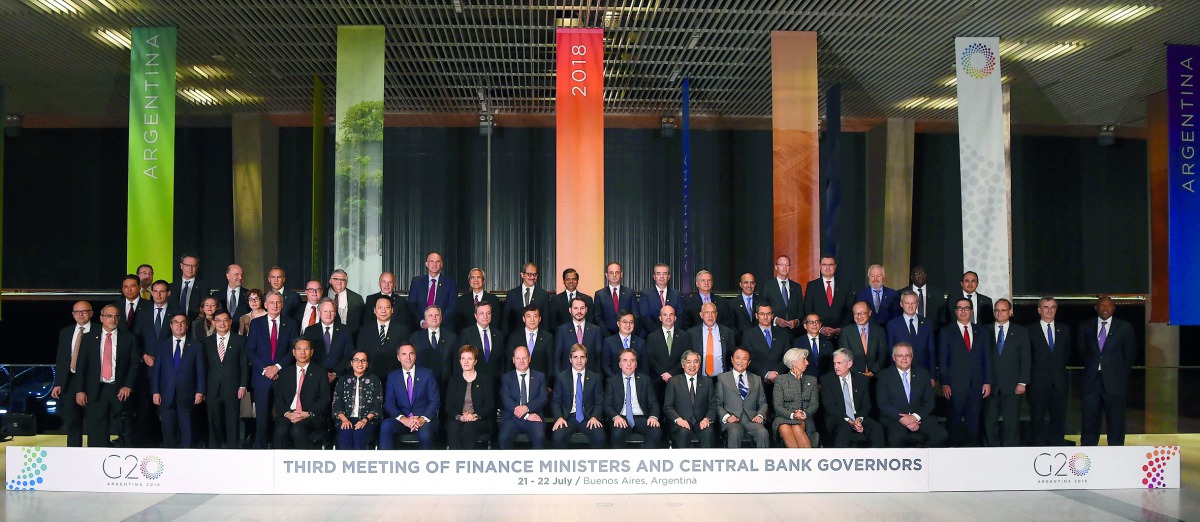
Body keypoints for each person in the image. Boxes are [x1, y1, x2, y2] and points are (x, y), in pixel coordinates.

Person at [72, 304, 138, 447]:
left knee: (124, 426)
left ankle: (125, 456)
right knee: (97, 429)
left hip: (119, 389)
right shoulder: (89, 338)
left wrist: (127, 386)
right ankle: (97, 457)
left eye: (116, 316)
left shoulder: (128, 338)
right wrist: (80, 390)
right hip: (96, 389)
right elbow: (81, 366)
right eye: (108, 316)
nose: (112, 319)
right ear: (101, 318)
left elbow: (134, 365)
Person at [1078, 295, 1137, 446]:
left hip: (1115, 383)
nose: (1105, 308)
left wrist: (1119, 375)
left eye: (1109, 305)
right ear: (1096, 308)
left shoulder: (1124, 327)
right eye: (1102, 305)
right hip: (1092, 382)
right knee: (1090, 421)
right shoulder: (1085, 326)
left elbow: (1129, 355)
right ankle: (1088, 454)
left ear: (1114, 308)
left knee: (1116, 422)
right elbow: (1082, 351)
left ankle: (1116, 454)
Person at [246, 291, 301, 448]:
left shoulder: (291, 323)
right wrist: (266, 370)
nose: (275, 305)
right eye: (271, 302)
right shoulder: (256, 323)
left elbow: (293, 349)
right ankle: (261, 451)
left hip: (282, 377)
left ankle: (281, 450)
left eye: (278, 302)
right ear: (265, 305)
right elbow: (250, 351)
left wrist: (277, 367)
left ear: (282, 305)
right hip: (262, 378)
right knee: (262, 417)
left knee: (284, 416)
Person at [938, 297, 994, 447]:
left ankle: (973, 455)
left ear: (971, 311)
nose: (963, 311)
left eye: (966, 308)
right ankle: (953, 453)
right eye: (960, 308)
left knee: (974, 425)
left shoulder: (983, 331)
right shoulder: (946, 332)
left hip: (977, 386)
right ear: (955, 311)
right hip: (954, 388)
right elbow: (942, 360)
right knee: (954, 423)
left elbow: (988, 359)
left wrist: (988, 382)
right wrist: (944, 383)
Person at [150, 314, 205, 448]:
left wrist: (200, 391)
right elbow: (156, 371)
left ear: (187, 326)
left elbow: (201, 371)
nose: (179, 325)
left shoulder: (196, 346)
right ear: (171, 325)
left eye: (182, 323)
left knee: (187, 430)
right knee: (168, 430)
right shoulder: (162, 345)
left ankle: (186, 457)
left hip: (188, 394)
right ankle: (169, 456)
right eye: (176, 322)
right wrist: (155, 392)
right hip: (166, 394)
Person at [876, 342, 946, 448]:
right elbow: (883, 404)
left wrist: (914, 417)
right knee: (897, 438)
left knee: (940, 435)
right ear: (894, 357)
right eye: (900, 355)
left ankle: (923, 457)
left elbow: (929, 402)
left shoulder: (923, 374)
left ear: (912, 357)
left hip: (919, 416)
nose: (904, 358)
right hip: (894, 418)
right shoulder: (884, 375)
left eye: (907, 355)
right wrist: (906, 420)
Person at [983, 299, 1030, 447]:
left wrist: (1022, 382)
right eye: (997, 310)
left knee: (1011, 423)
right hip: (990, 386)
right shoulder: (984, 330)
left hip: (1013, 385)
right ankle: (991, 451)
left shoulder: (1021, 331)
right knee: (989, 422)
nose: (999, 313)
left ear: (1010, 312)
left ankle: (1010, 453)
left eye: (1003, 310)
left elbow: (1026, 358)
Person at [819, 348, 885, 448]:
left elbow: (866, 404)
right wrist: (850, 421)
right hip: (837, 417)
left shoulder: (862, 379)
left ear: (849, 364)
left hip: (858, 417)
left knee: (876, 428)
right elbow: (829, 406)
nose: (836, 366)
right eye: (834, 363)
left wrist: (858, 419)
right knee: (844, 428)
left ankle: (879, 457)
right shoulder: (826, 380)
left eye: (839, 363)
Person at [272, 339, 331, 449]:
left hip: (309, 415)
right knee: (281, 430)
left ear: (312, 352)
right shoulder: (285, 372)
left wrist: (308, 413)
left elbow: (325, 398)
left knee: (298, 430)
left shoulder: (320, 372)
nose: (302, 352)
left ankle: (303, 460)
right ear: (294, 352)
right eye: (299, 349)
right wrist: (287, 413)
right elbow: (278, 397)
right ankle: (282, 460)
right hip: (289, 414)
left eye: (306, 349)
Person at [1028, 297, 1071, 446]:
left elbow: (1066, 354)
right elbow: (1028, 358)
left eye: (1052, 307)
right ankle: (1037, 451)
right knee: (1037, 420)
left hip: (1059, 384)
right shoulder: (1030, 331)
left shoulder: (1064, 330)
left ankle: (1057, 450)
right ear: (1039, 310)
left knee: (1059, 420)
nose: (1049, 310)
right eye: (1046, 307)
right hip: (1037, 384)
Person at [201, 310, 248, 449]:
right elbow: (203, 368)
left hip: (233, 388)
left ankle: (233, 451)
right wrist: (202, 389)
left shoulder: (240, 340)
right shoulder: (206, 342)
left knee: (232, 422)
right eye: (218, 320)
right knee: (213, 422)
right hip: (212, 389)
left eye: (225, 320)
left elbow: (244, 365)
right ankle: (214, 451)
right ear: (213, 323)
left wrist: (243, 386)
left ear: (230, 322)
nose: (222, 323)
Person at [51, 301, 95, 447]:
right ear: (73, 314)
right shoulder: (66, 332)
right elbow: (61, 359)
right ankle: (74, 454)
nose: (80, 314)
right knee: (72, 422)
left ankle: (94, 454)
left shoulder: (99, 331)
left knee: (94, 422)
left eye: (84, 311)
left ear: (91, 313)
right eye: (77, 312)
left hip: (92, 381)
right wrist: (58, 383)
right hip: (70, 381)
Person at [379, 344, 440, 449]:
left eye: (411, 354)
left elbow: (435, 401)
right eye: (404, 354)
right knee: (386, 425)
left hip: (423, 420)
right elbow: (389, 404)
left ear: (415, 356)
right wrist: (404, 419)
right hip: (402, 420)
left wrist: (422, 419)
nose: (408, 358)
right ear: (398, 357)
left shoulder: (427, 374)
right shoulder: (392, 377)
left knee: (425, 434)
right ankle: (387, 459)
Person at [603, 349, 663, 448]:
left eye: (632, 360)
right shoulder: (612, 381)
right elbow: (607, 405)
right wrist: (616, 417)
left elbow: (653, 403)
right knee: (617, 433)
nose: (629, 364)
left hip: (641, 418)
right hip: (621, 418)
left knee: (656, 431)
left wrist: (653, 416)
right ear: (620, 364)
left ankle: (647, 457)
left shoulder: (645, 380)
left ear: (636, 364)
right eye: (625, 360)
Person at [550, 344, 605, 449]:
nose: (579, 360)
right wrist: (559, 418)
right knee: (558, 437)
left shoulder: (595, 378)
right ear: (570, 359)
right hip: (567, 418)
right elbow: (556, 401)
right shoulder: (561, 377)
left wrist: (594, 417)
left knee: (599, 437)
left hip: (588, 418)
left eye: (582, 357)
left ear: (586, 359)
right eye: (575, 357)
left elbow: (599, 402)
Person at [715, 347, 769, 448]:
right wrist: (727, 417)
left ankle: (762, 458)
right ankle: (734, 458)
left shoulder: (757, 379)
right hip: (732, 420)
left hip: (751, 420)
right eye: (738, 358)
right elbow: (718, 404)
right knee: (735, 432)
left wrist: (760, 415)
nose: (740, 361)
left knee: (763, 432)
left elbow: (763, 403)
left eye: (744, 359)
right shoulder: (722, 378)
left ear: (748, 362)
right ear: (732, 360)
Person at [444, 345, 495, 450]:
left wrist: (474, 415)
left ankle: (468, 459)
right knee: (453, 428)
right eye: (463, 358)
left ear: (475, 361)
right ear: (460, 361)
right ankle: (455, 459)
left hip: (480, 419)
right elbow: (449, 405)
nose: (466, 362)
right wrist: (460, 417)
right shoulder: (454, 381)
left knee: (469, 428)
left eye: (470, 358)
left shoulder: (485, 380)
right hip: (459, 418)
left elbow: (490, 405)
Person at [662, 350, 717, 448]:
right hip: (680, 423)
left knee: (708, 432)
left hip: (701, 422)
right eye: (689, 362)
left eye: (695, 362)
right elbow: (668, 407)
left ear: (699, 365)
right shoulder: (673, 382)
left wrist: (707, 419)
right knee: (683, 432)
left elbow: (712, 405)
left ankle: (706, 458)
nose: (692, 365)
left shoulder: (707, 382)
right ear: (683, 365)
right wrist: (679, 420)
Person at [498, 345, 548, 449]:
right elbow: (506, 399)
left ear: (529, 358)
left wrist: (526, 408)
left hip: (534, 416)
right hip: (512, 418)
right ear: (513, 360)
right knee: (503, 438)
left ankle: (537, 460)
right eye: (518, 358)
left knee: (539, 436)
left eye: (524, 358)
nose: (521, 361)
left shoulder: (539, 376)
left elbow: (543, 398)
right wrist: (525, 415)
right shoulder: (506, 378)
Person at [332, 351, 383, 450]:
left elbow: (377, 403)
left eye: (363, 360)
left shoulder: (374, 380)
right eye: (356, 360)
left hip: (368, 420)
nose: (360, 363)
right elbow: (337, 402)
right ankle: (345, 460)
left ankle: (359, 461)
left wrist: (364, 420)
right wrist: (344, 420)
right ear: (351, 363)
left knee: (359, 433)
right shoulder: (343, 380)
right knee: (345, 432)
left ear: (367, 364)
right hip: (345, 419)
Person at [773, 347, 818, 448]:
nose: (807, 363)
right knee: (784, 428)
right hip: (784, 417)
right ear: (793, 362)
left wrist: (803, 413)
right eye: (804, 360)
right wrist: (793, 415)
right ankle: (797, 457)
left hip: (805, 417)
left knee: (797, 427)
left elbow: (814, 404)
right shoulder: (781, 380)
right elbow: (778, 405)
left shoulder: (812, 380)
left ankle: (808, 456)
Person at [456, 300, 505, 393]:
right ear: (476, 316)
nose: (485, 316)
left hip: (495, 384)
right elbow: (459, 360)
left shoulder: (499, 335)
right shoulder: (466, 334)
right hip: (473, 383)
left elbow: (502, 361)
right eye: (481, 313)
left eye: (488, 313)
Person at [885, 290, 936, 379]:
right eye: (907, 303)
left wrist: (932, 375)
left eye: (913, 303)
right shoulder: (892, 324)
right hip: (900, 373)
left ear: (917, 304)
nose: (910, 306)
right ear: (901, 304)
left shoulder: (927, 323)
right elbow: (890, 351)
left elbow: (931, 350)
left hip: (923, 373)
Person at [357, 297, 408, 381]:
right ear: (375, 310)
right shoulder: (365, 330)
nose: (383, 311)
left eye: (387, 307)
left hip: (395, 376)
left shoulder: (402, 330)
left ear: (392, 310)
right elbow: (360, 353)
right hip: (370, 376)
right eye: (380, 307)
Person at [303, 298, 354, 383]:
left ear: (335, 313)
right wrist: (322, 373)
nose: (329, 314)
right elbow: (307, 355)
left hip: (340, 378)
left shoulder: (345, 330)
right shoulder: (310, 331)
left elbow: (348, 354)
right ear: (319, 313)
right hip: (316, 377)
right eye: (325, 311)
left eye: (331, 311)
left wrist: (335, 373)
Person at [803, 255, 854, 338]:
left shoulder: (845, 285)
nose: (827, 267)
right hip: (818, 334)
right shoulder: (812, 286)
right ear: (820, 267)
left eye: (830, 265)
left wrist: (841, 328)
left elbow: (850, 309)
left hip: (841, 335)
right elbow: (808, 310)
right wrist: (820, 328)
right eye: (824, 265)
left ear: (835, 266)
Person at [645, 305, 689, 400]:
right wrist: (663, 374)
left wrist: (671, 373)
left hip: (678, 379)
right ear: (660, 318)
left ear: (675, 318)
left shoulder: (684, 336)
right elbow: (650, 359)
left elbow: (686, 357)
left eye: (671, 314)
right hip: (658, 381)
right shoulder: (652, 337)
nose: (668, 317)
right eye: (665, 315)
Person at [553, 296, 604, 377]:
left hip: (590, 377)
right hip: (567, 377)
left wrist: (598, 377)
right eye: (576, 308)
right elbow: (557, 356)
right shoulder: (562, 330)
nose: (579, 311)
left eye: (582, 308)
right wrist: (558, 377)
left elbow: (598, 357)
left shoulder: (596, 330)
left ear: (586, 309)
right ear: (570, 310)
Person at [741, 304, 789, 390]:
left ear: (772, 316)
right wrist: (766, 374)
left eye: (768, 314)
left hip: (780, 380)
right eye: (762, 314)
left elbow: (787, 357)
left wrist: (776, 373)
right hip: (757, 382)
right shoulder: (748, 335)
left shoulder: (783, 333)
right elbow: (748, 358)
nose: (765, 317)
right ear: (756, 316)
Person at [407, 251, 458, 328]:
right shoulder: (417, 281)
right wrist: (422, 321)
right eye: (431, 261)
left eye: (437, 262)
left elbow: (452, 306)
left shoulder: (450, 283)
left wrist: (436, 321)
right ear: (426, 264)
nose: (434, 264)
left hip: (442, 326)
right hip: (420, 327)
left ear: (441, 264)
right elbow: (411, 304)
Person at [410, 305, 457, 387]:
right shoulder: (415, 337)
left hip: (446, 383)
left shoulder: (451, 337)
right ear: (425, 318)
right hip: (421, 383)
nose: (434, 318)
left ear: (441, 317)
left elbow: (455, 361)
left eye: (437, 315)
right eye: (430, 315)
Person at [837, 301, 887, 377]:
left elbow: (883, 354)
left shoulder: (879, 331)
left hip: (876, 375)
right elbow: (844, 356)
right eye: (856, 313)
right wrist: (858, 374)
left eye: (862, 313)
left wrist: (873, 371)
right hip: (854, 376)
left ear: (869, 313)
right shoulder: (846, 332)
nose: (859, 316)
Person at [687, 302, 735, 378]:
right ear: (701, 315)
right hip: (700, 378)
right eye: (707, 312)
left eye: (713, 312)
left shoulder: (728, 333)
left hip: (722, 378)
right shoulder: (692, 333)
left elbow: (732, 356)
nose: (710, 316)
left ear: (716, 314)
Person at [507, 304, 554, 380]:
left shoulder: (548, 337)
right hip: (519, 380)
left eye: (535, 316)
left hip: (540, 381)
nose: (532, 320)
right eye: (529, 316)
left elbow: (550, 364)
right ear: (523, 318)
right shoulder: (514, 337)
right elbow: (509, 363)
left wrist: (549, 383)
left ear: (539, 319)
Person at [503, 262, 551, 334]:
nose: (532, 277)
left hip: (537, 336)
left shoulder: (543, 295)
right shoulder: (512, 294)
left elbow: (546, 321)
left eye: (535, 274)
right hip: (516, 336)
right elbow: (506, 320)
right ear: (522, 275)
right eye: (529, 274)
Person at [636, 263, 683, 335]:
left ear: (669, 277)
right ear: (654, 277)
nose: (661, 276)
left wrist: (672, 332)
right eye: (658, 274)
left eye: (664, 274)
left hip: (673, 335)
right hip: (651, 335)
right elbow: (644, 316)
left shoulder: (676, 294)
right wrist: (660, 334)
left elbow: (679, 316)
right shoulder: (645, 294)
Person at [762, 255, 804, 333]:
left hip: (794, 333)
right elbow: (762, 309)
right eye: (781, 265)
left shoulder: (797, 287)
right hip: (774, 332)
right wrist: (775, 319)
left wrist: (797, 321)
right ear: (776, 267)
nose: (784, 267)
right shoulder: (767, 286)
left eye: (787, 265)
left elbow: (801, 311)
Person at [592, 262, 636, 336]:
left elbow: (636, 315)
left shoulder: (630, 293)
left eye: (617, 272)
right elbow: (597, 317)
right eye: (611, 273)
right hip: (606, 336)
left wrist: (629, 332)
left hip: (627, 334)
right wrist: (606, 335)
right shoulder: (599, 294)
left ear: (621, 274)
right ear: (606, 275)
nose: (614, 275)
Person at [452, 268, 502, 333]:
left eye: (478, 277)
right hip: (467, 336)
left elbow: (495, 322)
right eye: (472, 277)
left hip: (487, 334)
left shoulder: (493, 300)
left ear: (483, 281)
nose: (475, 280)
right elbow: (459, 324)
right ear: (469, 281)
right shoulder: (461, 300)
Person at [603, 310, 648, 379]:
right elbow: (605, 366)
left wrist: (637, 380)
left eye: (631, 322)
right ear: (618, 324)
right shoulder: (608, 342)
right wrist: (617, 380)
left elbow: (644, 366)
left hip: (636, 381)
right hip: (615, 382)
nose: (628, 325)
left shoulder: (641, 342)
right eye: (625, 322)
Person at [904, 265, 946, 332]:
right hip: (908, 331)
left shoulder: (937, 293)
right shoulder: (902, 293)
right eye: (917, 273)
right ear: (911, 277)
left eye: (923, 273)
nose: (921, 275)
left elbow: (942, 317)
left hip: (933, 331)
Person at [328, 268, 366, 335]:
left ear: (347, 282)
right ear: (330, 281)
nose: (339, 282)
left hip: (350, 338)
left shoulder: (357, 299)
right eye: (336, 279)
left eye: (342, 280)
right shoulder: (321, 296)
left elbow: (362, 323)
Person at [170, 254, 206, 320]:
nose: (190, 268)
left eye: (193, 266)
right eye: (187, 265)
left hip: (195, 322)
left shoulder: (203, 287)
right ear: (181, 266)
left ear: (197, 267)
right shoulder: (171, 287)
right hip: (175, 323)